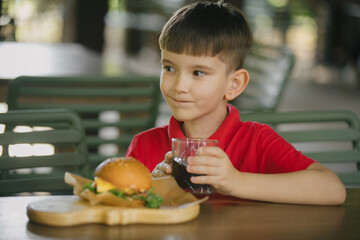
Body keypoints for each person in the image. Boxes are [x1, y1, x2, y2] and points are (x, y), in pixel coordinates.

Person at [126, 1, 346, 205]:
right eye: (169, 68)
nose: (179, 86)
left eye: (198, 72)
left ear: (234, 84)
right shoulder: (144, 145)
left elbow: (333, 189)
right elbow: (115, 206)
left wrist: (236, 181)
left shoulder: (257, 141)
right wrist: (151, 190)